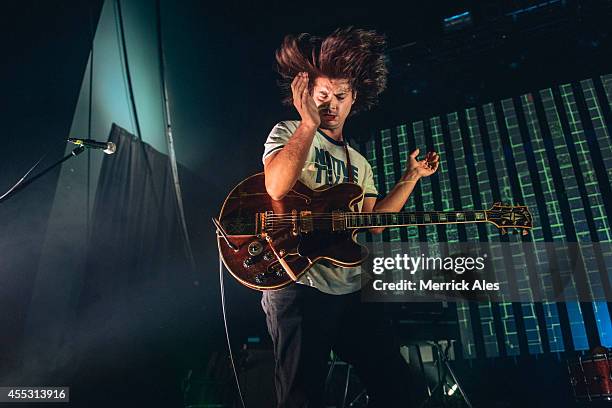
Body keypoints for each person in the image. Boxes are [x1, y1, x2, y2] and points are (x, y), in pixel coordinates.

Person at [261, 27, 440, 407]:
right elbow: (276, 186)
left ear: (353, 98)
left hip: (350, 287)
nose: (331, 105)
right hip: (299, 280)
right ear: (307, 95)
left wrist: (411, 178)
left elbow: (374, 222)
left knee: (398, 388)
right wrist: (307, 125)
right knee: (302, 395)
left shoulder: (359, 163)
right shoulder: (290, 132)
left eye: (340, 96)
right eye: (322, 95)